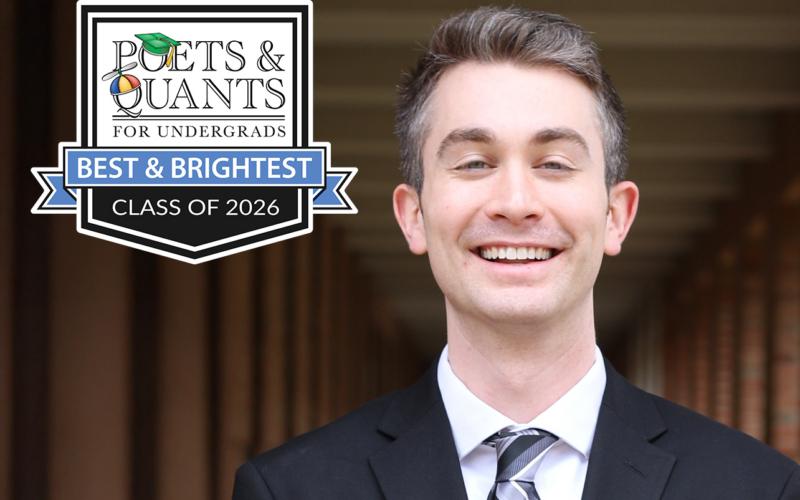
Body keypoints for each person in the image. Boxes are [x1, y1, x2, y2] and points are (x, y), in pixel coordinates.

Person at [233, 7, 800, 499]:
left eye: (554, 163)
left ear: (615, 216)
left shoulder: (759, 487)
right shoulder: (289, 489)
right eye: (474, 162)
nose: (515, 202)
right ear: (414, 217)